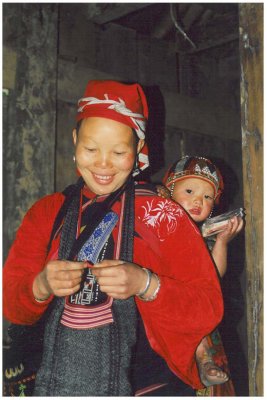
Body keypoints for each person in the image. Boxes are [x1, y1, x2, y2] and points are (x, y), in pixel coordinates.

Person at [3, 80, 224, 396]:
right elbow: (12, 304)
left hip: (150, 385)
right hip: (56, 381)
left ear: (137, 150)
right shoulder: (47, 212)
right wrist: (41, 285)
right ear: (75, 140)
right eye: (91, 148)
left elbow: (208, 307)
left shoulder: (161, 213)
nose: (103, 164)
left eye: (119, 151)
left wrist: (147, 284)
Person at [161, 155, 243, 391]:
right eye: (189, 191)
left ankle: (206, 362)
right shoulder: (157, 224)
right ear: (168, 193)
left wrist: (222, 242)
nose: (198, 200)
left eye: (207, 197)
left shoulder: (203, 235)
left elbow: (214, 275)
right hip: (163, 301)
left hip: (193, 306)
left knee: (203, 311)